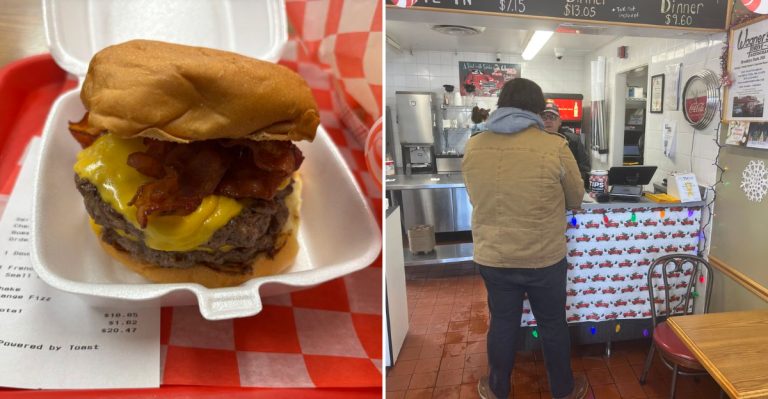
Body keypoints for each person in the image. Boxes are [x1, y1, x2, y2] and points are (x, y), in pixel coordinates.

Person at [462, 78, 588, 399]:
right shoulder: (554, 145)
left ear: (502, 104)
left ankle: (497, 389)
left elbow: (475, 195)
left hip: (494, 257)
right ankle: (564, 390)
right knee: (552, 325)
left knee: (502, 323)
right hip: (544, 258)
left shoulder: (475, 145)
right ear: (536, 108)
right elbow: (576, 198)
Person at [541, 101, 591, 188]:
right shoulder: (533, 142)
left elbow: (584, 170)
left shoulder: (573, 141)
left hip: (568, 190)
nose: (548, 121)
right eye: (544, 118)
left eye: (552, 117)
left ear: (560, 121)